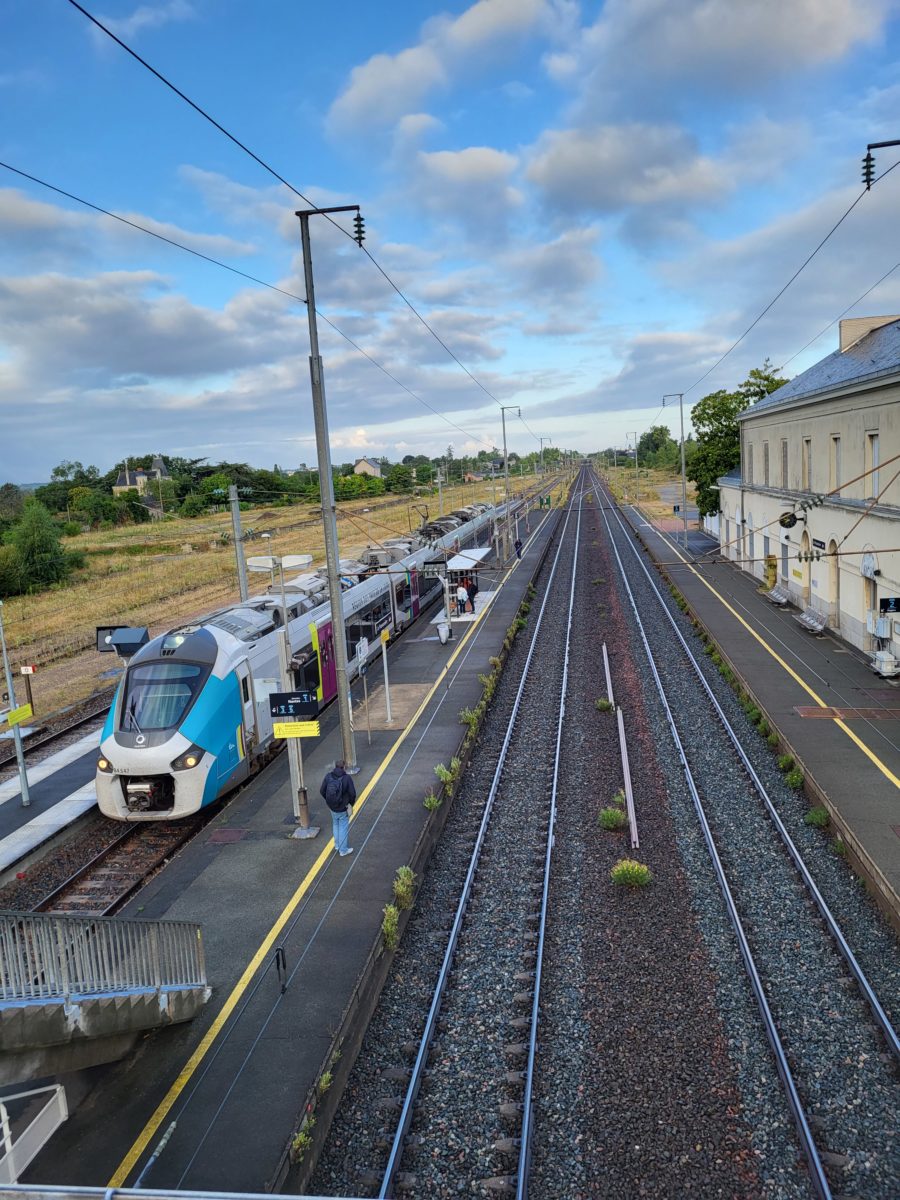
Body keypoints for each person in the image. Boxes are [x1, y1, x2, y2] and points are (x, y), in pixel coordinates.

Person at [320, 759, 356, 856]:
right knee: (343, 828)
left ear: (335, 766)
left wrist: (329, 801)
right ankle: (343, 850)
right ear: (343, 767)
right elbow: (352, 794)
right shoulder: (347, 778)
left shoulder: (328, 776)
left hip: (332, 807)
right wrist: (350, 804)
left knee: (335, 825)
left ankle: (337, 845)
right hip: (342, 808)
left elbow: (322, 790)